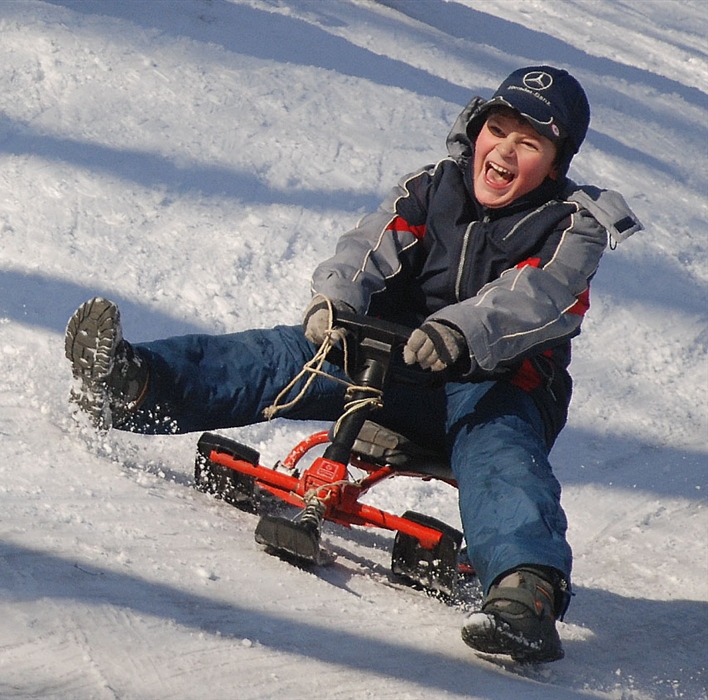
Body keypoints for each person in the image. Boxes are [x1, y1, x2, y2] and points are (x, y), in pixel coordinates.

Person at [64, 66, 641, 663]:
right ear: (477, 131)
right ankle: (134, 385)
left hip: (492, 388)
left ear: (554, 161)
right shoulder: (431, 188)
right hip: (388, 361)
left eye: (530, 143)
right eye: (498, 130)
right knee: (281, 357)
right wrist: (335, 303)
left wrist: (456, 333)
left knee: (501, 459)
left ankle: (525, 594)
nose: (505, 151)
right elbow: (369, 247)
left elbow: (535, 297)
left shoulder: (574, 226)